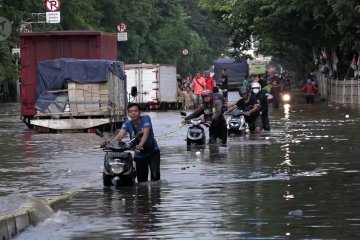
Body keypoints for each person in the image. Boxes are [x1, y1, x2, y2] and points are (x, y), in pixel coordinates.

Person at [110, 103, 160, 182]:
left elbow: (146, 133)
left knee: (155, 177)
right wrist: (110, 144)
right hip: (139, 154)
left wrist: (140, 144)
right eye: (130, 112)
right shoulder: (127, 124)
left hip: (152, 152)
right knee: (141, 181)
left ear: (140, 112)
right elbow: (119, 136)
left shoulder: (146, 119)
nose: (133, 113)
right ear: (128, 114)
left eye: (135, 111)